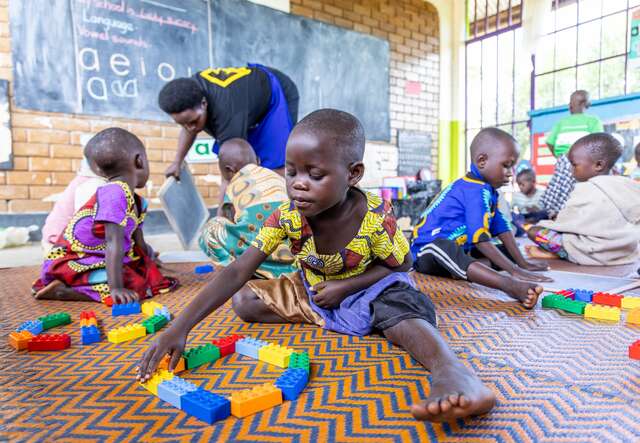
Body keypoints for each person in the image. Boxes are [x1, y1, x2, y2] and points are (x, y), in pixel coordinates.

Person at [137, 109, 496, 423]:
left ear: (353, 174)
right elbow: (236, 270)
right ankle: (352, 318)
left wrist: (346, 287)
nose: (298, 185)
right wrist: (179, 327)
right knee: (245, 302)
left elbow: (402, 263)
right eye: (291, 172)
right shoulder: (287, 217)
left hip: (371, 285)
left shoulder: (373, 217)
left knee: (402, 309)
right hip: (315, 288)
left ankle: (451, 371)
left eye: (315, 175)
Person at [32, 128, 177, 304]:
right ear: (140, 161)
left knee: (147, 272)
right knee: (134, 286)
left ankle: (88, 285)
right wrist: (116, 288)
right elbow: (112, 243)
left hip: (101, 257)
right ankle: (65, 291)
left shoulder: (137, 201)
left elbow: (138, 242)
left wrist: (149, 256)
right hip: (77, 259)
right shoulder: (113, 195)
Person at [410, 128, 551, 310]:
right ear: (482, 161)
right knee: (446, 248)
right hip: (427, 251)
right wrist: (513, 272)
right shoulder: (474, 190)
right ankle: (507, 285)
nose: (511, 173)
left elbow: (502, 228)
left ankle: (468, 268)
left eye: (513, 166)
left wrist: (522, 263)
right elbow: (479, 239)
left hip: (460, 249)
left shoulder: (488, 190)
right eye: (506, 165)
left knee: (506, 252)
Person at [158, 65, 299, 213]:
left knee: (274, 164)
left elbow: (230, 174)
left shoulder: (227, 115)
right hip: (244, 100)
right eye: (183, 124)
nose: (190, 128)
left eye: (194, 122)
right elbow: (189, 127)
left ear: (204, 104)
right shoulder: (189, 93)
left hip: (275, 92)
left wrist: (221, 218)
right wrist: (177, 161)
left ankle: (286, 214)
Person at [528, 133, 640, 265]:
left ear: (598, 165)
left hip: (590, 252)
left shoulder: (585, 189)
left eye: (574, 164)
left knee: (534, 231)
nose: (570, 170)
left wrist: (551, 222)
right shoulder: (624, 185)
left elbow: (564, 225)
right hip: (623, 251)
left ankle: (561, 254)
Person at [199, 138, 296, 279]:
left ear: (229, 170)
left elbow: (225, 217)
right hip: (294, 257)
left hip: (260, 255)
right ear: (258, 160)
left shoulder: (235, 182)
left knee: (211, 228)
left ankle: (241, 272)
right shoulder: (276, 177)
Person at [540, 90, 603, 216]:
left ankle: (558, 215)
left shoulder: (561, 123)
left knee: (560, 193)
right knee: (580, 194)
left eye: (571, 102)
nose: (569, 105)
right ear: (587, 103)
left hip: (564, 161)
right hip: (584, 162)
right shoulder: (593, 121)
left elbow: (550, 142)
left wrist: (559, 157)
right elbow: (599, 142)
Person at [41, 153, 107, 255]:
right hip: (58, 245)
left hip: (60, 238)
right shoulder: (94, 184)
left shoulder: (89, 180)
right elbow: (84, 225)